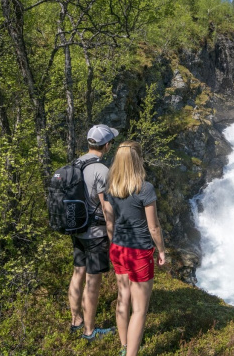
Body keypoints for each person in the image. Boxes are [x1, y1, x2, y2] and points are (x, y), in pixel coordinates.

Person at [103, 140, 166, 356]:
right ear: (138, 160)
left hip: (118, 248)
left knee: (123, 298)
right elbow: (154, 227)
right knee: (139, 309)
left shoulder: (111, 187)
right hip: (139, 251)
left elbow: (109, 222)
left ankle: (123, 346)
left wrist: (115, 243)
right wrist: (162, 251)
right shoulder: (144, 188)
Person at [68, 124, 119, 341]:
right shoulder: (102, 171)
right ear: (106, 145)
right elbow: (107, 208)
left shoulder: (75, 164)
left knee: (78, 273)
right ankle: (89, 332)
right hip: (96, 233)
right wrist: (113, 239)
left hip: (76, 229)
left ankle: (75, 321)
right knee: (93, 281)